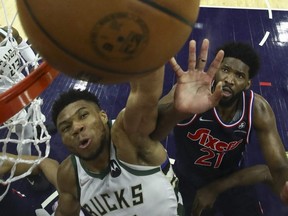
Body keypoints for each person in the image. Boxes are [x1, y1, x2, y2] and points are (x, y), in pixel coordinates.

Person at [50, 39, 225, 215]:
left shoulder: (127, 137)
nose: (76, 128)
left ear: (103, 116)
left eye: (83, 115)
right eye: (65, 128)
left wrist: (144, 29)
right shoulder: (69, 176)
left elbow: (144, 94)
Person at [151, 39, 288, 215]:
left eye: (239, 76)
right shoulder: (191, 93)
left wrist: (285, 185)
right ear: (215, 71)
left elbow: (278, 167)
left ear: (247, 84)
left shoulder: (257, 108)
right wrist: (177, 110)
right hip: (186, 178)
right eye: (225, 70)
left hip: (231, 179)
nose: (229, 79)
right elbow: (149, 128)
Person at [0, 25, 41, 156]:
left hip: (21, 82)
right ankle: (25, 164)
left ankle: (38, 126)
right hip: (6, 98)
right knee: (26, 134)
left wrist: (34, 62)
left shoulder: (7, 31)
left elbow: (20, 41)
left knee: (35, 105)